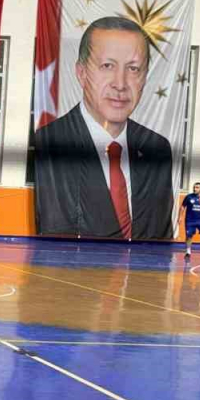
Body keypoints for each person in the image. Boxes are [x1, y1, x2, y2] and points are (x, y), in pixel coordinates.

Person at [33, 16, 174, 240]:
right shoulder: (52, 142)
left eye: (134, 69)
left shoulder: (157, 148)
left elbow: (161, 232)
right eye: (107, 66)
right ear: (81, 73)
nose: (120, 83)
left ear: (145, 78)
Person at [178, 181, 200, 262]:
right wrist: (180, 217)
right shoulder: (189, 197)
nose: (195, 189)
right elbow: (182, 207)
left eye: (197, 187)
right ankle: (188, 251)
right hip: (190, 220)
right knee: (189, 236)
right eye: (194, 187)